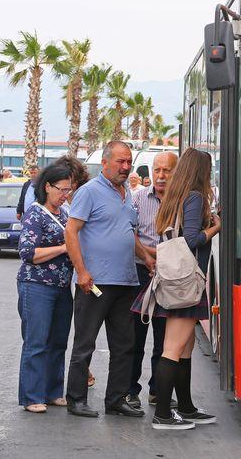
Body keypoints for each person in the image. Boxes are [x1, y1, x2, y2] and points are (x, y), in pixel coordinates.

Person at [64, 141, 153, 418]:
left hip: (126, 283)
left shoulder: (127, 193)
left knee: (124, 345)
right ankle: (76, 399)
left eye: (128, 162)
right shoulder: (89, 192)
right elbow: (71, 231)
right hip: (96, 284)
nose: (125, 167)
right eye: (120, 162)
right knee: (85, 343)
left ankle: (115, 399)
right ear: (104, 163)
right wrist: (81, 271)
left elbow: (129, 233)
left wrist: (147, 258)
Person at [132, 148, 219, 430]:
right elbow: (191, 239)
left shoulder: (173, 197)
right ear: (200, 172)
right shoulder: (193, 197)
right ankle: (163, 415)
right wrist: (215, 228)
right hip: (185, 283)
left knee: (184, 348)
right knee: (172, 349)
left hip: (178, 282)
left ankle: (186, 407)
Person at [16, 164, 74, 413]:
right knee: (36, 341)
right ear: (47, 187)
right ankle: (32, 396)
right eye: (61, 189)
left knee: (58, 341)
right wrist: (63, 248)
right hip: (37, 285)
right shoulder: (35, 213)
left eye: (69, 190)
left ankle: (52, 391)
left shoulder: (65, 213)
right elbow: (28, 252)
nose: (65, 194)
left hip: (62, 286)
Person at [126, 151, 178, 409]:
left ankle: (158, 391)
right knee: (134, 337)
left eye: (166, 170)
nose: (160, 176)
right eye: (157, 170)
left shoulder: (182, 202)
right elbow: (129, 233)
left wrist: (160, 255)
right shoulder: (137, 198)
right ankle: (130, 391)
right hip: (140, 273)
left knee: (164, 338)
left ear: (175, 173)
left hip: (170, 276)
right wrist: (148, 256)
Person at [53, 154, 96, 389]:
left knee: (82, 326)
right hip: (65, 270)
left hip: (80, 268)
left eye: (71, 184)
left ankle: (83, 371)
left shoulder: (82, 198)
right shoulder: (59, 204)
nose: (67, 190)